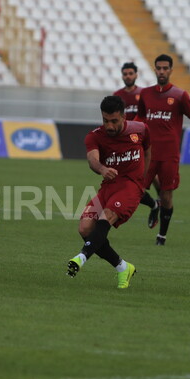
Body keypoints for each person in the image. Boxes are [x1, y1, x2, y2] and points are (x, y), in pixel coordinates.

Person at [67, 95, 150, 289]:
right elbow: (92, 160)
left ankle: (81, 258)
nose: (109, 126)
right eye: (105, 121)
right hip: (108, 186)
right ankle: (123, 267)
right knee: (85, 228)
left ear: (123, 117)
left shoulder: (140, 130)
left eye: (114, 121)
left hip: (130, 186)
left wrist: (142, 180)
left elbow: (147, 150)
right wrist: (102, 169)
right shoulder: (95, 136)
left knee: (107, 217)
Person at [136, 53, 190, 246]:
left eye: (165, 68)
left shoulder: (179, 95)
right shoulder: (145, 94)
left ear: (170, 70)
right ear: (154, 69)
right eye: (158, 68)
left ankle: (162, 236)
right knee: (135, 191)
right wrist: (127, 132)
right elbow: (140, 119)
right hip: (149, 154)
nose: (161, 71)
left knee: (167, 195)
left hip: (169, 156)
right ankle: (153, 205)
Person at [114, 61, 160, 228]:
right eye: (125, 74)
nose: (128, 76)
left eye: (130, 73)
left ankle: (159, 203)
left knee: (135, 180)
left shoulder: (143, 94)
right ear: (122, 76)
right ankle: (156, 205)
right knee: (131, 180)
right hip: (123, 145)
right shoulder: (117, 96)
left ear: (136, 75)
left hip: (140, 143)